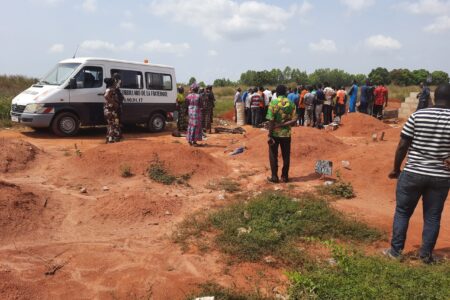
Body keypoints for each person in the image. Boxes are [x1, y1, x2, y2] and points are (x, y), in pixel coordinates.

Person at [385, 83, 450, 264]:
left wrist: (396, 169)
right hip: (440, 176)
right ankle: (425, 256)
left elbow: (402, 146)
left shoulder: (418, 115)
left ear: (435, 97)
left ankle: (395, 252)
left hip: (413, 172)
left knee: (403, 212)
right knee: (432, 217)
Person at [266, 85, 298, 183]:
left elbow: (271, 120)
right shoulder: (291, 104)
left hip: (275, 134)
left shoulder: (273, 103)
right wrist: (283, 124)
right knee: (286, 155)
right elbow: (295, 120)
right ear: (285, 93)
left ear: (277, 93)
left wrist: (270, 134)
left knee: (273, 155)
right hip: (286, 134)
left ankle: (274, 177)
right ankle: (285, 177)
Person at [103, 74, 123, 143]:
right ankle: (110, 139)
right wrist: (114, 103)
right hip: (110, 110)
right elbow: (106, 96)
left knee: (112, 124)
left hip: (110, 110)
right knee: (112, 124)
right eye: (114, 82)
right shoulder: (110, 89)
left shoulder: (110, 89)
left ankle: (109, 138)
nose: (115, 83)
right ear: (112, 83)